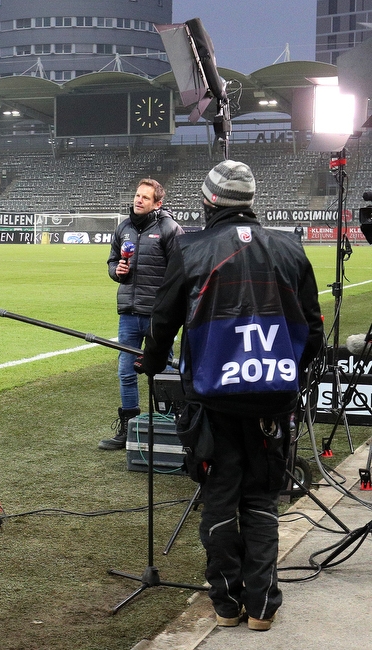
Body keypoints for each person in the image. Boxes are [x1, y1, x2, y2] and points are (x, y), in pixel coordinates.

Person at [136, 160, 324, 631]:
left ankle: (226, 604)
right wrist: (290, 378)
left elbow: (163, 319)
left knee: (220, 499)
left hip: (214, 404)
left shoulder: (191, 247)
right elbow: (314, 328)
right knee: (261, 501)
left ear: (208, 201)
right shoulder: (289, 247)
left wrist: (153, 361)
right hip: (272, 404)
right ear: (251, 202)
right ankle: (263, 606)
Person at [99, 178, 183, 450]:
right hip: (128, 312)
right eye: (137, 195)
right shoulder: (123, 227)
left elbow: (181, 271)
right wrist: (116, 271)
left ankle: (171, 425)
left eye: (145, 197)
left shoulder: (170, 229)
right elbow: (113, 261)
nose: (138, 200)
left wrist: (168, 307)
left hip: (158, 316)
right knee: (125, 371)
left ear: (158, 203)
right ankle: (130, 430)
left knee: (162, 370)